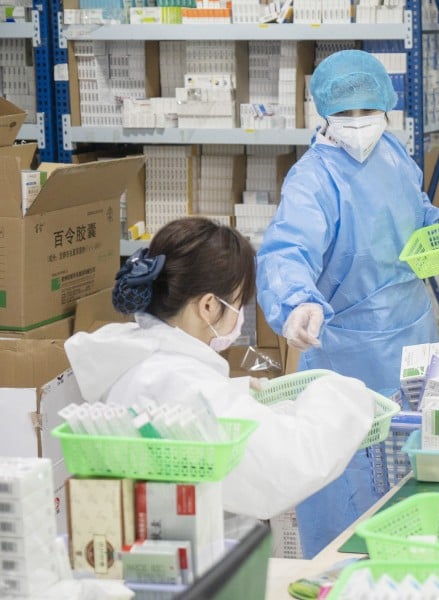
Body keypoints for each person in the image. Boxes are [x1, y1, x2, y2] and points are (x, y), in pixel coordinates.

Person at [256, 49, 439, 555]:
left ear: (386, 108)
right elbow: (286, 250)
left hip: (414, 337)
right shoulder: (313, 179)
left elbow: (413, 214)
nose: (358, 123)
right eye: (345, 113)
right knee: (355, 489)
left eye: (367, 110)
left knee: (420, 475)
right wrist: (297, 303)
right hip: (350, 356)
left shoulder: (392, 154)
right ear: (324, 113)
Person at [64, 217, 375, 521]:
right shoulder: (187, 384)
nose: (239, 316)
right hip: (190, 544)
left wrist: (233, 392)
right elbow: (288, 463)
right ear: (209, 306)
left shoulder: (136, 357)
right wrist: (344, 396)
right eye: (238, 304)